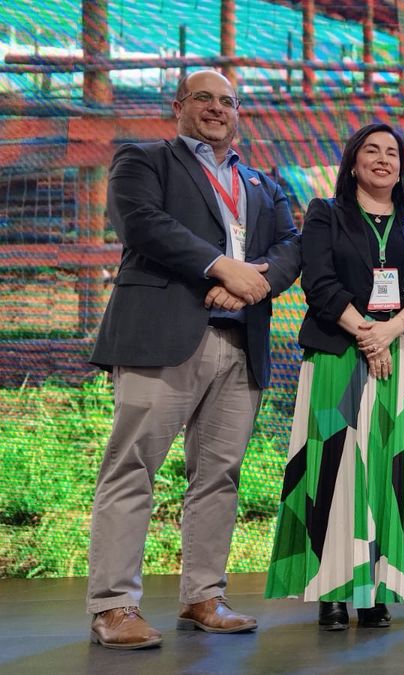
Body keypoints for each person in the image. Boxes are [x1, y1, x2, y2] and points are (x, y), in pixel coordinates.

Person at [86, 69, 301, 649]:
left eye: (227, 101)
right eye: (203, 98)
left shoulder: (262, 182)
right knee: (132, 468)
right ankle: (113, 607)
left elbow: (290, 247)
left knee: (219, 477)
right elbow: (143, 225)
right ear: (178, 106)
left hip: (240, 341)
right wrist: (219, 266)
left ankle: (203, 596)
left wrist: (248, 285)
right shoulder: (144, 159)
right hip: (161, 335)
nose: (216, 109)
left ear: (238, 114)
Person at [264, 123, 404, 630]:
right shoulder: (326, 213)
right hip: (337, 354)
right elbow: (319, 284)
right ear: (353, 161)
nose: (384, 159)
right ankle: (332, 589)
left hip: (402, 357)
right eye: (372, 150)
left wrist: (389, 333)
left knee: (392, 471)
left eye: (393, 152)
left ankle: (379, 588)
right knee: (335, 468)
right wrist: (368, 335)